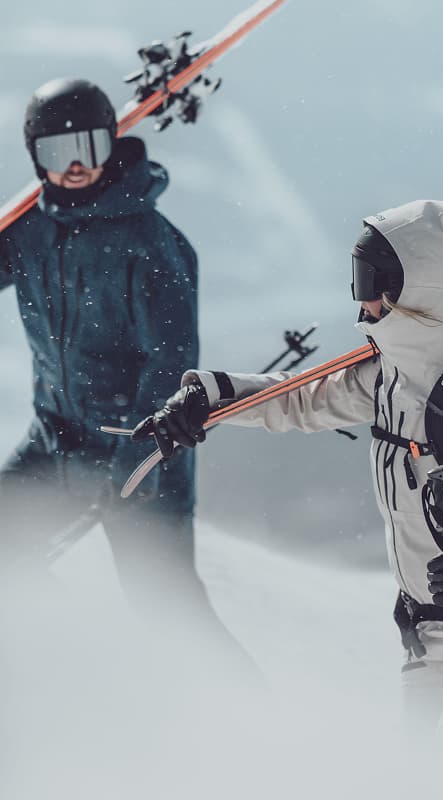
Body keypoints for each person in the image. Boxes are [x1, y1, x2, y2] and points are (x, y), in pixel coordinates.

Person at [132, 199, 443, 743]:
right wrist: (211, 398)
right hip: (427, 627)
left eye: (373, 282)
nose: (362, 300)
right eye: (358, 278)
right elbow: (303, 399)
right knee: (417, 777)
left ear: (424, 291)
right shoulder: (393, 377)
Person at [0, 77, 248, 667]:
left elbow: (170, 364)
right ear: (35, 156)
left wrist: (137, 461)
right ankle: (79, 669)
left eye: (89, 146)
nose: (76, 166)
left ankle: (243, 708)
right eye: (58, 151)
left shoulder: (150, 244)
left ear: (111, 143)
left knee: (168, 609)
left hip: (140, 449)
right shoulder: (30, 229)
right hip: (55, 439)